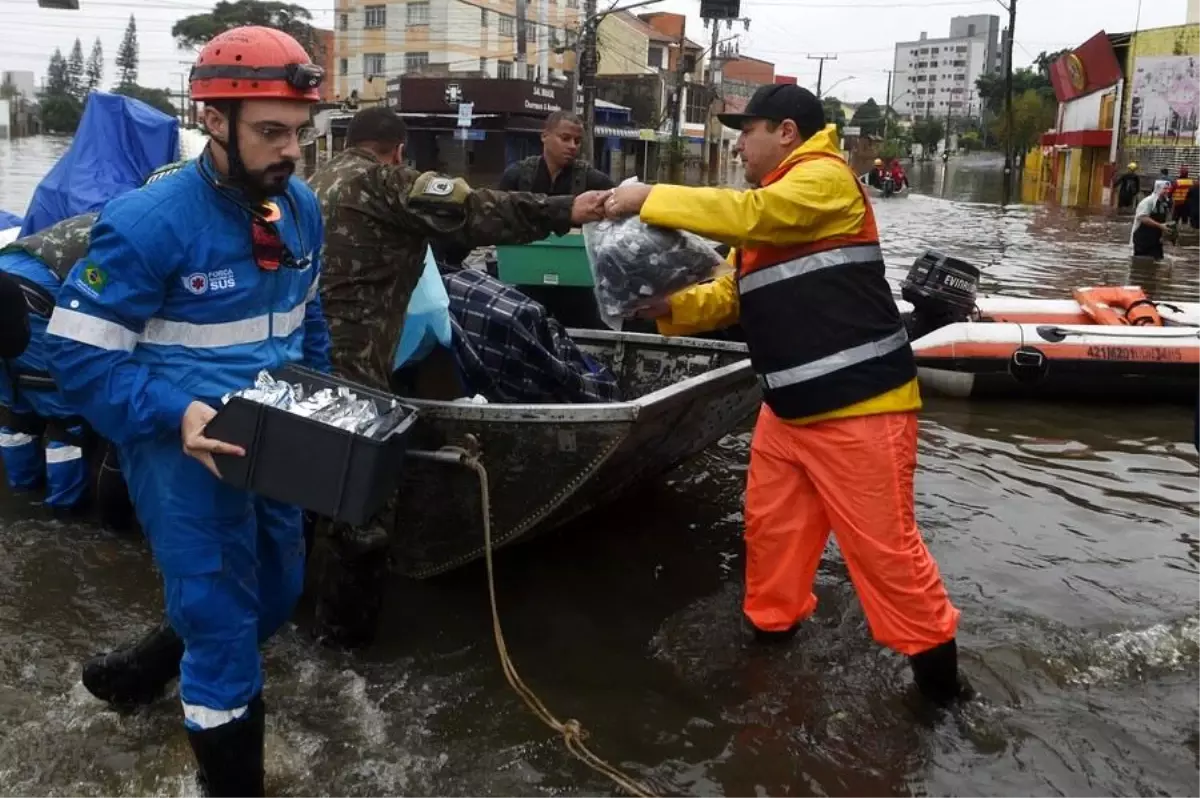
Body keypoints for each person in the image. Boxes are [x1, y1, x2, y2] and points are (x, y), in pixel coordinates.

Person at [604, 83, 969, 706]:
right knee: (771, 540)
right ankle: (769, 649)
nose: (739, 142)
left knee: (886, 557)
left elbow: (747, 216)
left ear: (788, 133)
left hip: (861, 408)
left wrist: (649, 197)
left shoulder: (824, 179)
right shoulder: (776, 204)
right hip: (788, 410)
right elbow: (736, 294)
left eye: (748, 130)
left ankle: (944, 697)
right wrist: (668, 307)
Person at [45, 26, 331, 796]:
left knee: (277, 590)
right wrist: (176, 415)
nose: (291, 151)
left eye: (300, 133)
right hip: (178, 443)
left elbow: (308, 321)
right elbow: (76, 354)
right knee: (224, 630)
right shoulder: (148, 221)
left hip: (270, 433)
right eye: (271, 133)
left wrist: (329, 412)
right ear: (212, 119)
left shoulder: (299, 208)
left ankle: (142, 672)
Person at [304, 105, 612, 648]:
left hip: (300, 359)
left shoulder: (314, 182)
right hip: (354, 367)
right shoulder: (380, 181)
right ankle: (344, 646)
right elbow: (474, 209)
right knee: (362, 504)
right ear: (398, 150)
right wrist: (569, 210)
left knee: (313, 482)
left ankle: (301, 610)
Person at [498, 109, 616, 195]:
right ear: (544, 136)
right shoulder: (517, 176)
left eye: (577, 141)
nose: (572, 146)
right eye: (565, 138)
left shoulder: (593, 181)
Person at [1131, 183, 1171, 261]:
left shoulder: (1165, 203)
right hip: (1143, 239)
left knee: (1158, 262)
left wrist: (1166, 235)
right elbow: (1143, 218)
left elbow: (1165, 221)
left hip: (1156, 240)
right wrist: (1160, 226)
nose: (1167, 191)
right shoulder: (1148, 201)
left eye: (1168, 189)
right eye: (1164, 189)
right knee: (1142, 264)